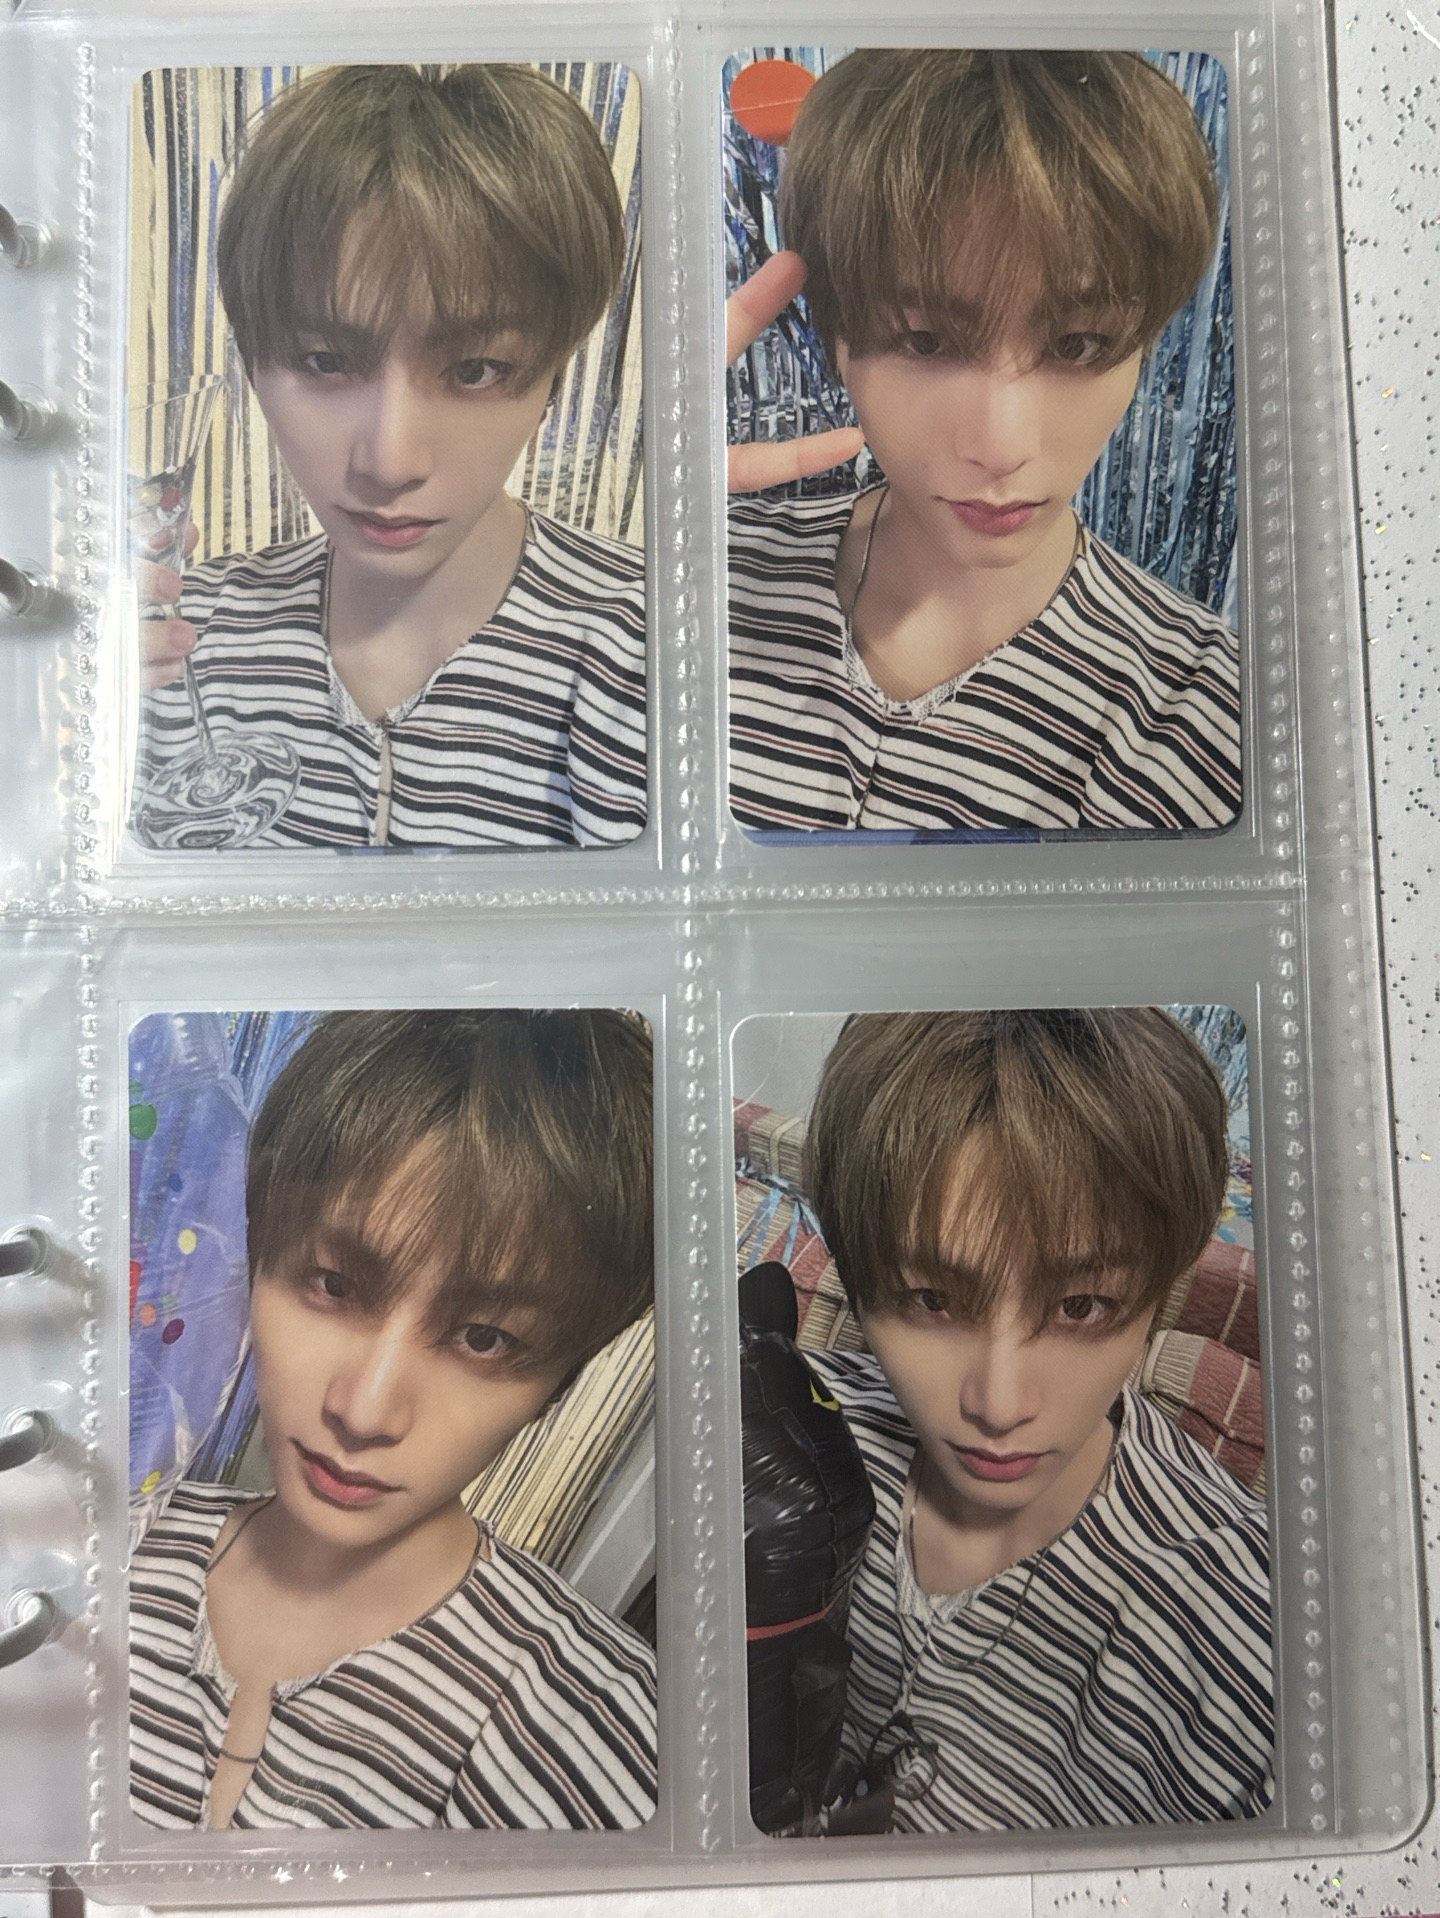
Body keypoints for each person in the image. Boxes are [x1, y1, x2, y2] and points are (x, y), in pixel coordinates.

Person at [129, 1008, 657, 1831]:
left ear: (560, 1380)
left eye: (484, 1337)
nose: (364, 1410)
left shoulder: (598, 1734)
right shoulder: (109, 1555)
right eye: (334, 1285)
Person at [726, 50, 1241, 837]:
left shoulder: (1209, 723)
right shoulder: (699, 584)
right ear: (836, 336)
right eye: (925, 341)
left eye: (1077, 345)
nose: (1002, 447)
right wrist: (635, 578)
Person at [136, 64, 646, 850]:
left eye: (476, 369)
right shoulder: (173, 641)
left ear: (554, 375)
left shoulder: (656, 639)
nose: (390, 461)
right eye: (324, 361)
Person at [793, 1008, 1272, 1832]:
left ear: (1157, 1298)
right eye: (931, 1299)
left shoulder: (1256, 1642)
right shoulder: (799, 1437)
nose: (999, 1404)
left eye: (1081, 1306)